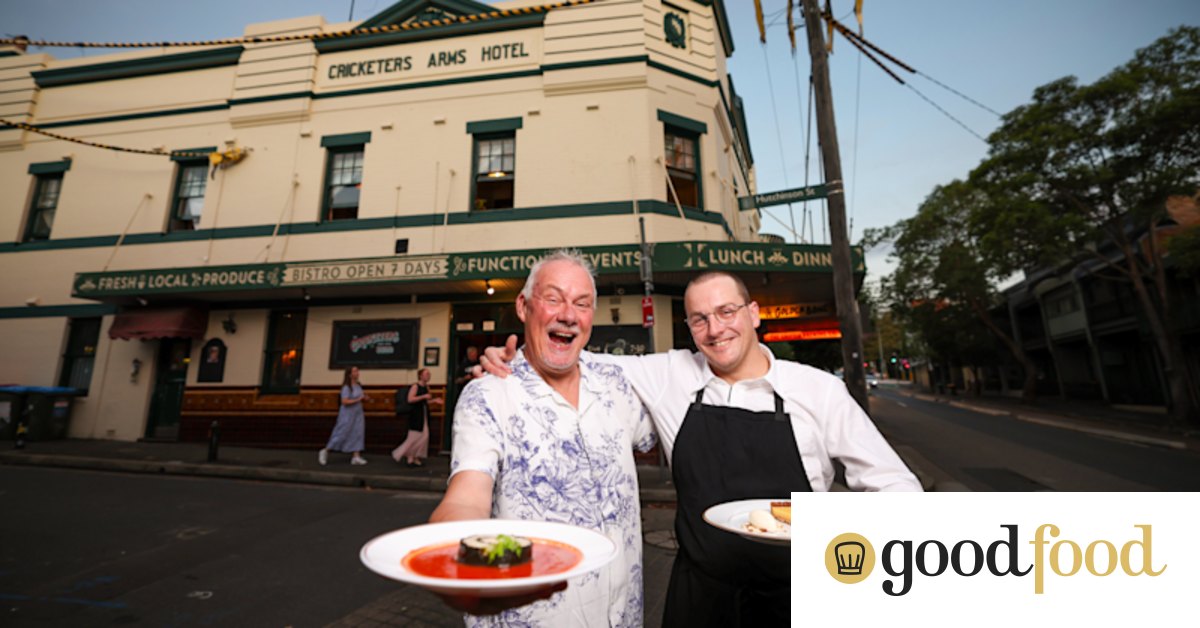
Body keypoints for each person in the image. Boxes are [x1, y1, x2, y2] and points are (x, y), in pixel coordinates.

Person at [481, 270, 921, 626]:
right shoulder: (671, 375)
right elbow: (575, 356)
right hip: (698, 599)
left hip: (798, 597)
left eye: (727, 311)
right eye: (699, 319)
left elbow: (897, 487)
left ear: (753, 313)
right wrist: (511, 357)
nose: (715, 329)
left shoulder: (817, 390)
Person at [430, 249, 656, 627]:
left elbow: (690, 387)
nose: (568, 314)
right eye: (553, 298)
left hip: (624, 616)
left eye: (582, 303)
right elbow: (466, 498)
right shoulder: (488, 395)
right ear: (523, 306)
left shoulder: (616, 384)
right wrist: (456, 558)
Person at [391, 368, 442, 467]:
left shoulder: (427, 387)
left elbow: (425, 402)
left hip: (423, 414)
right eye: (426, 374)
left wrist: (434, 400)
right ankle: (405, 456)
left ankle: (414, 456)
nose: (428, 376)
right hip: (415, 414)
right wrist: (423, 397)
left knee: (424, 436)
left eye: (429, 374)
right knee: (414, 436)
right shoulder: (415, 386)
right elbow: (410, 399)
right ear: (420, 376)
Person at [319, 366, 370, 466]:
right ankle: (326, 450)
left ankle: (356, 456)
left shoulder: (358, 385)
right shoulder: (346, 387)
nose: (357, 373)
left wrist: (365, 398)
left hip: (358, 414)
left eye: (357, 371)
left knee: (357, 433)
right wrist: (358, 399)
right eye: (355, 371)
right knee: (341, 433)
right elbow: (344, 401)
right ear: (350, 374)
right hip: (347, 414)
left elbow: (360, 397)